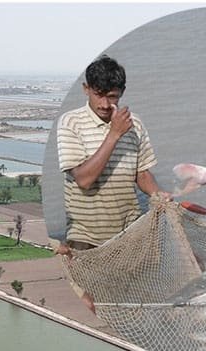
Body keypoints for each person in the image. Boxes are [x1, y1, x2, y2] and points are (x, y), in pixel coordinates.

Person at [56, 55, 171, 256]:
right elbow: (84, 180)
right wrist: (114, 134)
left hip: (129, 230)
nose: (105, 104)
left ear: (121, 93)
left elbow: (142, 174)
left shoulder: (134, 124)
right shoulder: (71, 122)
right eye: (98, 94)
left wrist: (159, 196)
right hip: (86, 236)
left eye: (112, 96)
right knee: (93, 286)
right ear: (86, 89)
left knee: (131, 285)